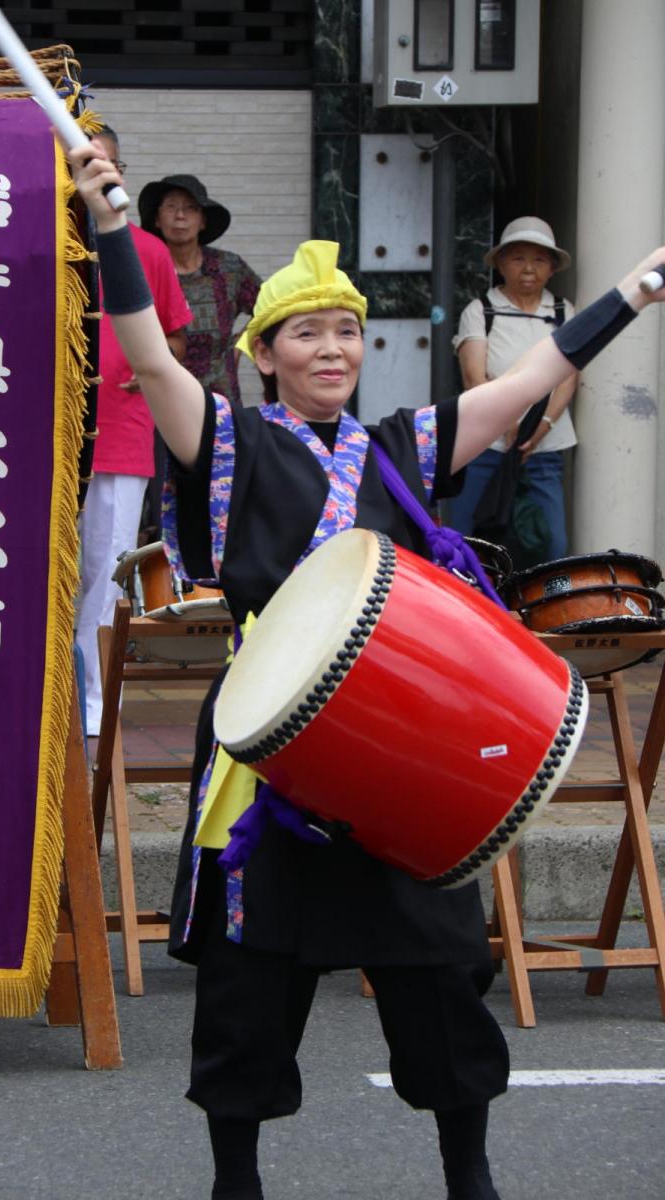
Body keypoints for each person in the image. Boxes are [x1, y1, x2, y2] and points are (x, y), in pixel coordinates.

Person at [68, 137, 665, 1200]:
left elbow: (534, 379)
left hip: (397, 753)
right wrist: (111, 227)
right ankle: (236, 1183)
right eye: (307, 333)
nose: (332, 348)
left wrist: (631, 291)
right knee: (248, 996)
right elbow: (149, 355)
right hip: (269, 767)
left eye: (346, 330)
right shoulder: (228, 446)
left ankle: (469, 1178)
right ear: (264, 353)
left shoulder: (400, 445)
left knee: (442, 971)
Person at [75, 128, 193, 737]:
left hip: (119, 433)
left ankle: (97, 701)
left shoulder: (145, 248)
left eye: (108, 163)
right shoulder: (30, 240)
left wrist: (148, 372)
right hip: (40, 438)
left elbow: (174, 337)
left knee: (103, 571)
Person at [447, 217, 578, 566]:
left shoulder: (564, 313)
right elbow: (474, 377)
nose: (529, 269)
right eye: (518, 258)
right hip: (484, 444)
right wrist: (507, 423)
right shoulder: (480, 311)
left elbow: (568, 378)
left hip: (544, 449)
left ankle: (541, 614)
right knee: (464, 535)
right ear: (501, 264)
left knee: (551, 543)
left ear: (552, 268)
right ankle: (465, 607)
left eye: (539, 260)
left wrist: (541, 428)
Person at [137, 173, 261, 406]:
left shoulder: (229, 268)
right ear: (157, 220)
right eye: (171, 207)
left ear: (203, 220)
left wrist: (241, 344)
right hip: (163, 399)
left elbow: (270, 305)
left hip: (221, 398)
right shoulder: (144, 270)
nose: (180, 216)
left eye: (190, 208)